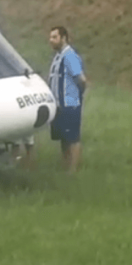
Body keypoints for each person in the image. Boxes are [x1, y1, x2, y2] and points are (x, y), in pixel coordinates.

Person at [47, 26, 87, 174]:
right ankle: (66, 164)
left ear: (63, 38)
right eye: (50, 37)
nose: (51, 40)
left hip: (69, 103)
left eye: (54, 37)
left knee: (73, 137)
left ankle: (73, 169)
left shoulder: (70, 56)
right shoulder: (58, 56)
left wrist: (77, 95)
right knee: (64, 137)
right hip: (59, 104)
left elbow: (81, 79)